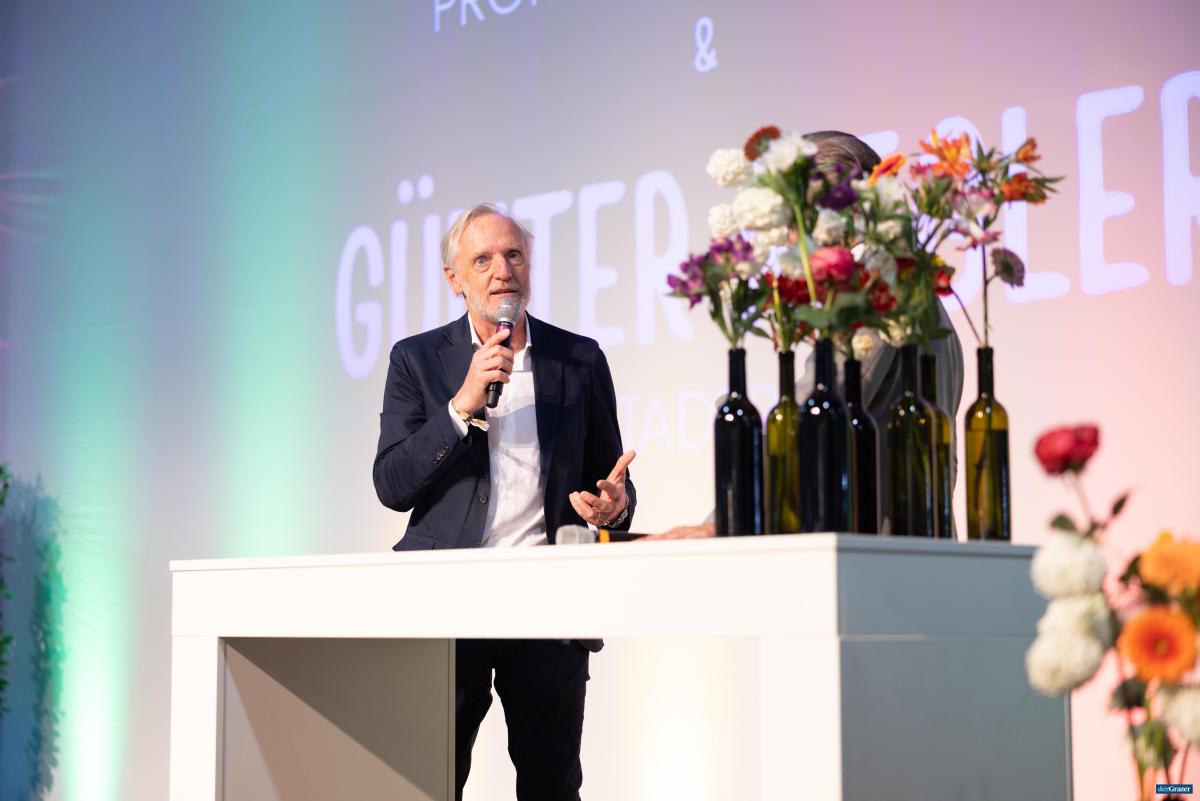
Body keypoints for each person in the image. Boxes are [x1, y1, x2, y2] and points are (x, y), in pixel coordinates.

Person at [372, 203, 636, 801]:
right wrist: (461, 406)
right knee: (429, 782)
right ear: (454, 279)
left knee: (552, 786)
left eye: (513, 255)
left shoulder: (579, 358)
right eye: (483, 259)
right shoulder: (416, 359)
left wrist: (613, 507)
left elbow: (611, 481)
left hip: (549, 602)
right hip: (447, 600)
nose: (502, 271)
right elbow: (391, 485)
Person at [652, 130, 964, 540]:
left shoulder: (874, 284)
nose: (790, 238)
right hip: (913, 549)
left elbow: (811, 418)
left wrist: (720, 522)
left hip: (874, 553)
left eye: (794, 215)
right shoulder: (913, 285)